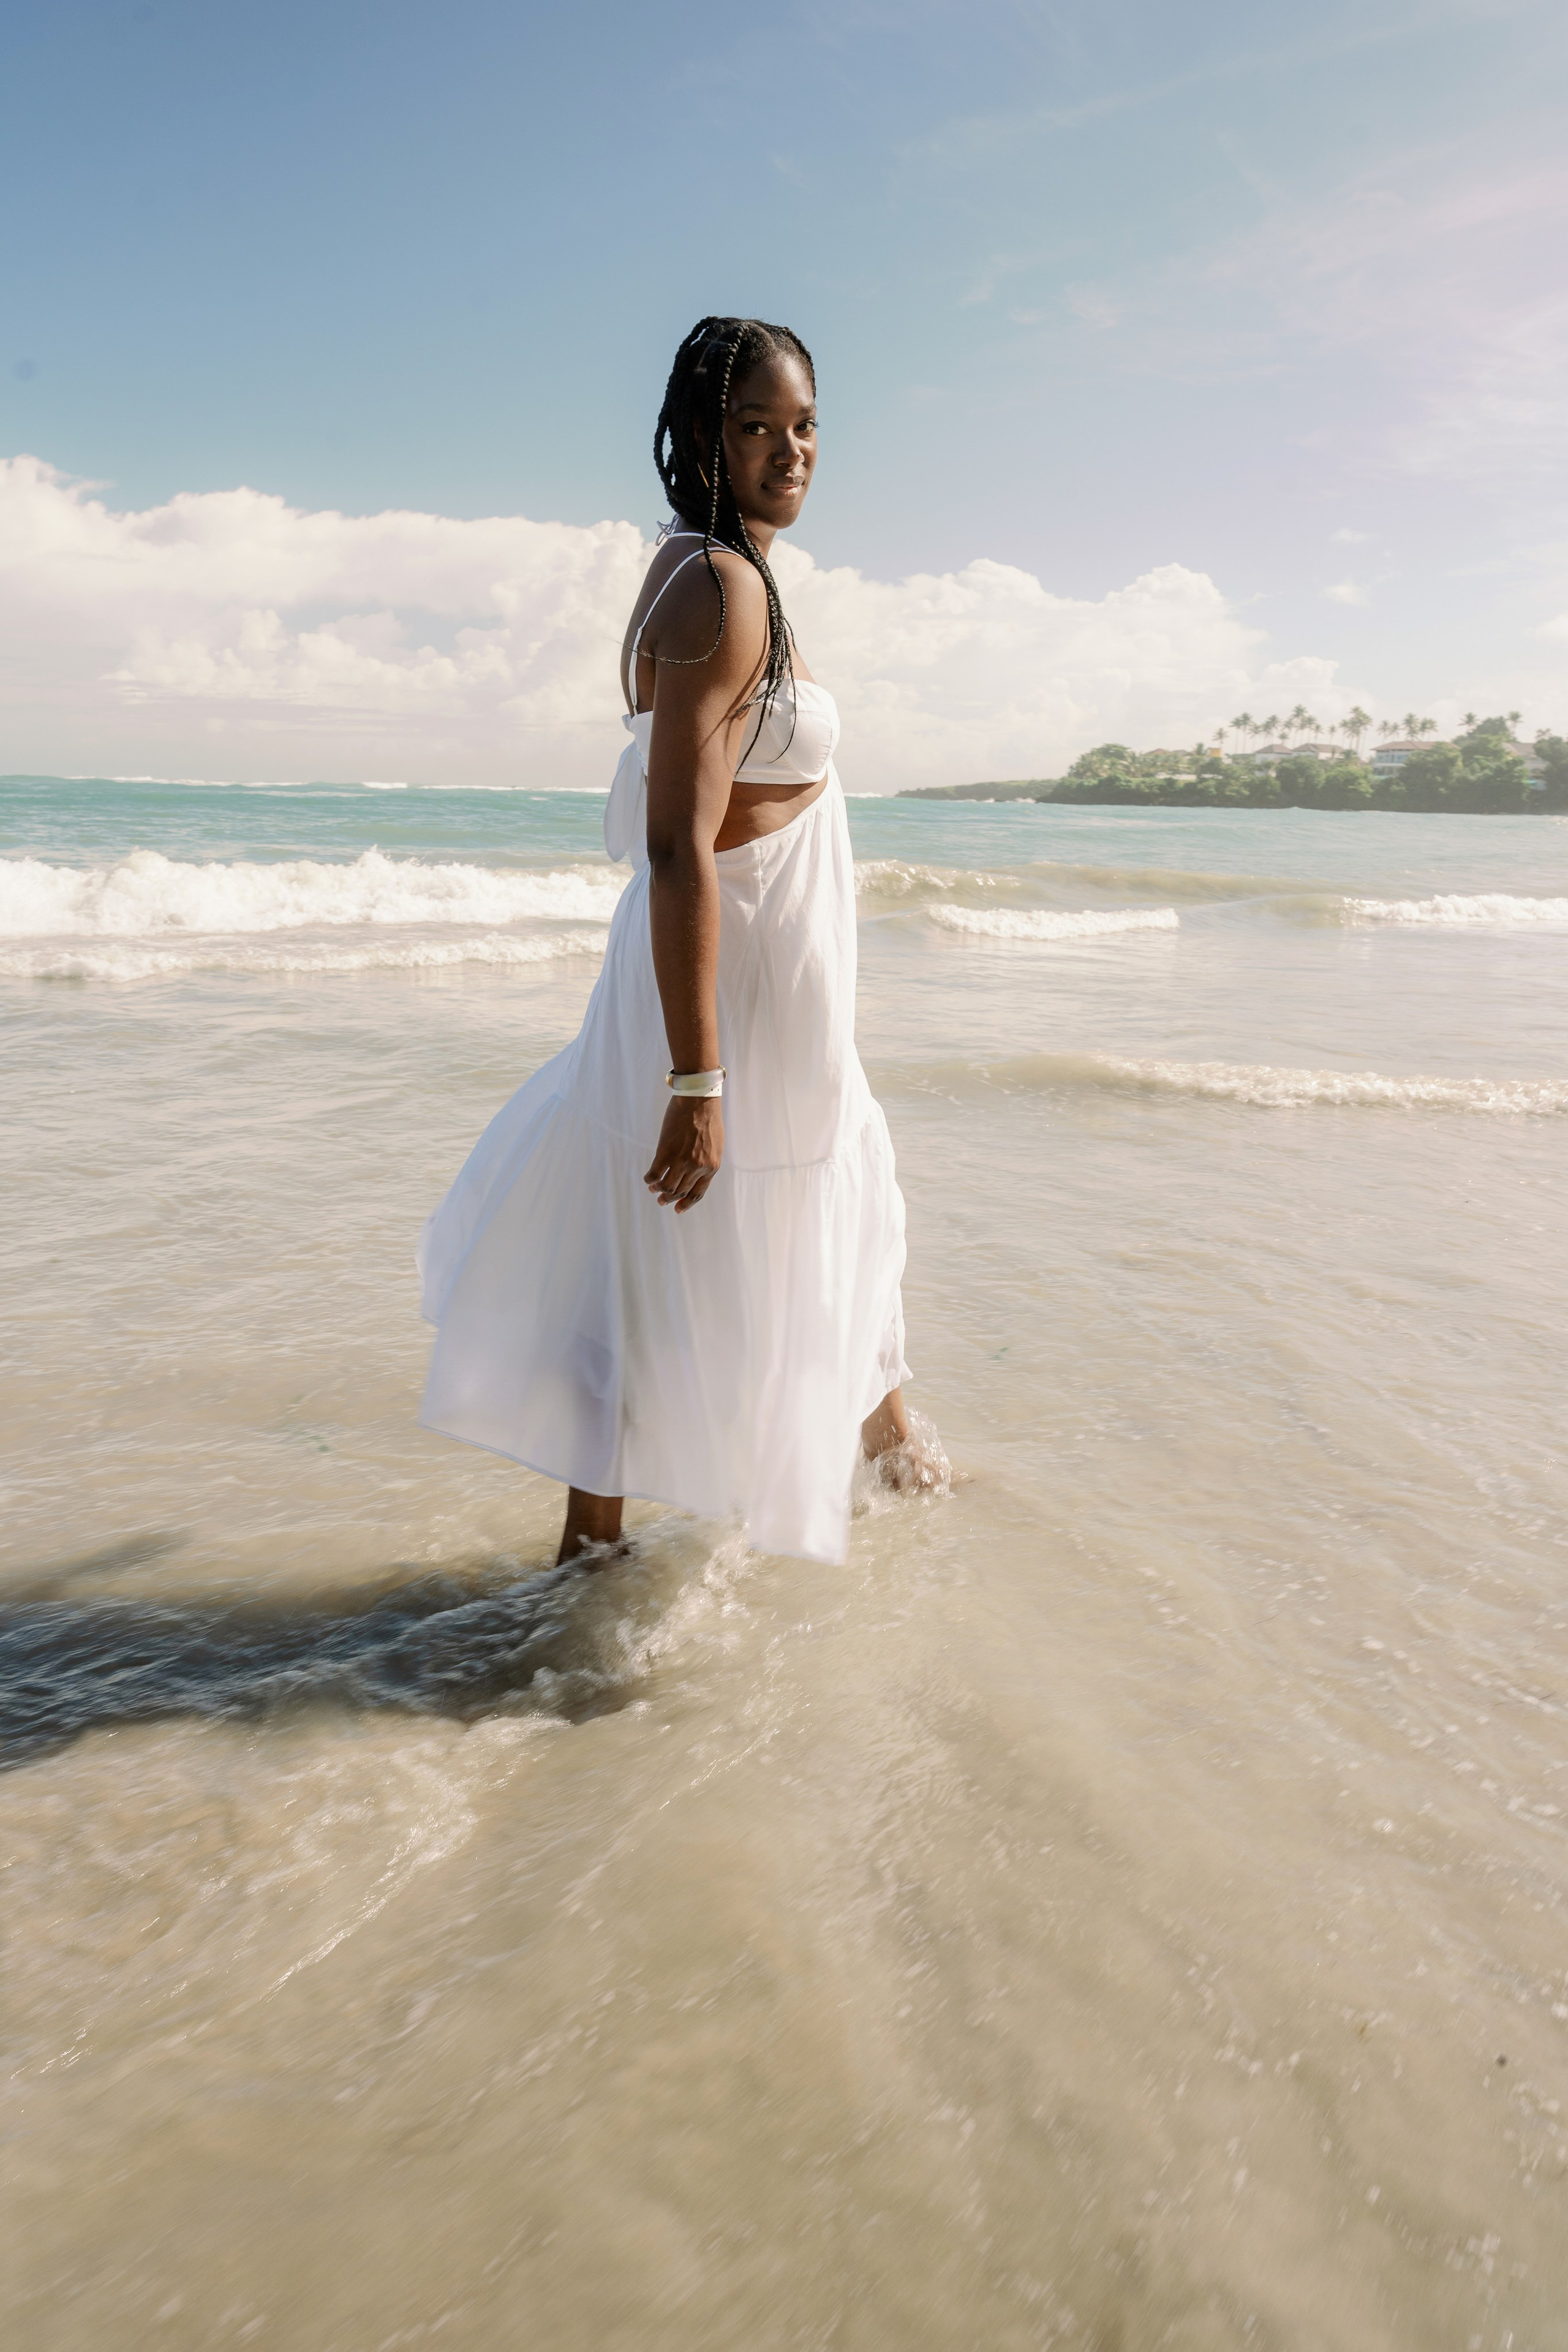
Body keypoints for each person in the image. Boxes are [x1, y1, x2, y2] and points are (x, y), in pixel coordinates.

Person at [417, 315, 914, 1566]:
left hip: (747, 992)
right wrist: (698, 1080)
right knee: (691, 1246)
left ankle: (871, 1458)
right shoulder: (719, 586)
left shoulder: (704, 566)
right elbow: (678, 846)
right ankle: (604, 1545)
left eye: (806, 426)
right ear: (702, 435)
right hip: (724, 998)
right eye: (757, 427)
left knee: (697, 1243)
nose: (791, 452)